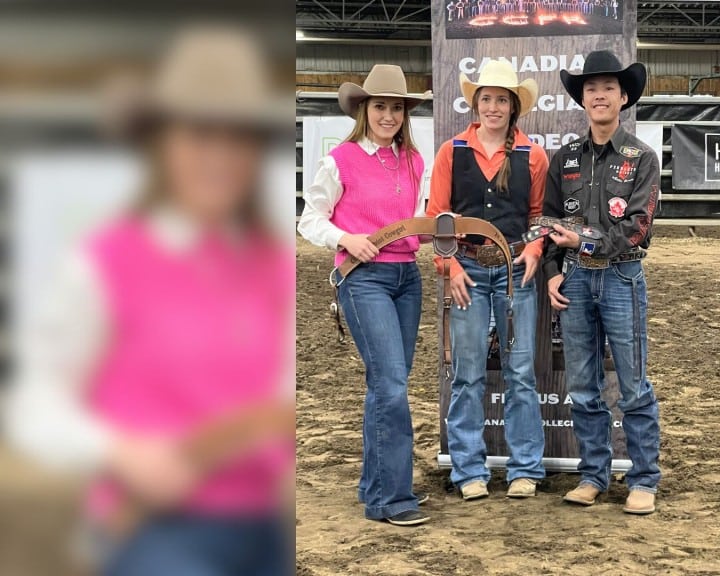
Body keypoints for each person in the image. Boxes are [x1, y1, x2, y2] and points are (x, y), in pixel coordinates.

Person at [5, 29, 294, 575]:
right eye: (199, 135)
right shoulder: (105, 262)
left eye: (238, 138)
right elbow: (34, 401)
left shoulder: (272, 264)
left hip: (265, 524)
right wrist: (120, 450)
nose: (219, 157)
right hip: (151, 524)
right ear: (163, 143)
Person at [297, 64, 431, 526]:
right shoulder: (341, 159)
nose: (388, 115)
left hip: (407, 278)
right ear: (364, 109)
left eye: (396, 107)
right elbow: (309, 217)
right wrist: (344, 239)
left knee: (388, 385)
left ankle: (379, 486)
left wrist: (439, 234)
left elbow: (415, 222)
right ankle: (392, 498)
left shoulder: (414, 161)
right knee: (391, 384)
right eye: (380, 107)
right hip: (363, 278)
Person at [542, 50, 661, 515]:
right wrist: (553, 272)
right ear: (582, 99)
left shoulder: (642, 158)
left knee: (633, 384)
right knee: (583, 384)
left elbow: (638, 227)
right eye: (590, 88)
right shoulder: (564, 158)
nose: (599, 95)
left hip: (621, 276)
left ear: (623, 96)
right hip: (573, 281)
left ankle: (644, 478)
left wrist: (583, 244)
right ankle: (593, 474)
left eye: (608, 87)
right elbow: (548, 222)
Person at [427, 60, 549, 501]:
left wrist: (534, 249)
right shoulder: (451, 151)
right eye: (486, 98)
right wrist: (450, 267)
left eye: (501, 99)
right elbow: (438, 219)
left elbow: (538, 216)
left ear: (513, 106)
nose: (493, 106)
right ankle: (468, 469)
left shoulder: (532, 156)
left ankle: (525, 469)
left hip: (516, 269)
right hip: (468, 270)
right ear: (475, 103)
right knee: (467, 374)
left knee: (520, 373)